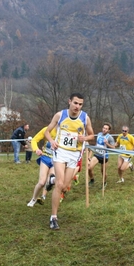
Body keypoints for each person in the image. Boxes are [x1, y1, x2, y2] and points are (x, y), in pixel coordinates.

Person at [44, 92, 94, 230]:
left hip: (74, 154)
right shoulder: (60, 115)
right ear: (69, 102)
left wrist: (85, 138)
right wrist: (52, 141)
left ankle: (51, 180)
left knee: (65, 186)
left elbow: (91, 135)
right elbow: (47, 132)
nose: (77, 106)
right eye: (75, 103)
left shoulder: (85, 118)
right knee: (60, 185)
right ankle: (53, 217)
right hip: (60, 151)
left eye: (80, 104)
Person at [27, 127, 57, 207]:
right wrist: (36, 149)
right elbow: (34, 140)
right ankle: (34, 199)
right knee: (41, 182)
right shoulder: (47, 130)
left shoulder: (65, 133)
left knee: (50, 180)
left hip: (56, 161)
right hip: (45, 158)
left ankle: (44, 195)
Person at [88, 122, 116, 188]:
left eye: (106, 129)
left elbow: (113, 147)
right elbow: (96, 145)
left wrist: (107, 143)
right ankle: (92, 180)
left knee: (103, 171)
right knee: (89, 168)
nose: (104, 129)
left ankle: (104, 182)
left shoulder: (110, 137)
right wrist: (90, 155)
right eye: (104, 128)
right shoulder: (99, 134)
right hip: (97, 154)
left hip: (104, 156)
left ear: (108, 130)